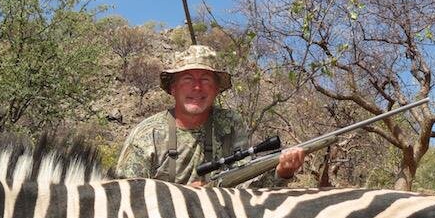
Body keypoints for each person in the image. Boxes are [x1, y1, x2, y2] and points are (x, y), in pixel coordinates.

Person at [115, 45, 306, 187]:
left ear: (216, 89)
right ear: (173, 88)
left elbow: (246, 191)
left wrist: (282, 174)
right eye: (188, 79)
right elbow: (124, 200)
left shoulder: (230, 124)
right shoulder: (148, 134)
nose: (197, 87)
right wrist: (180, 198)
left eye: (205, 80)